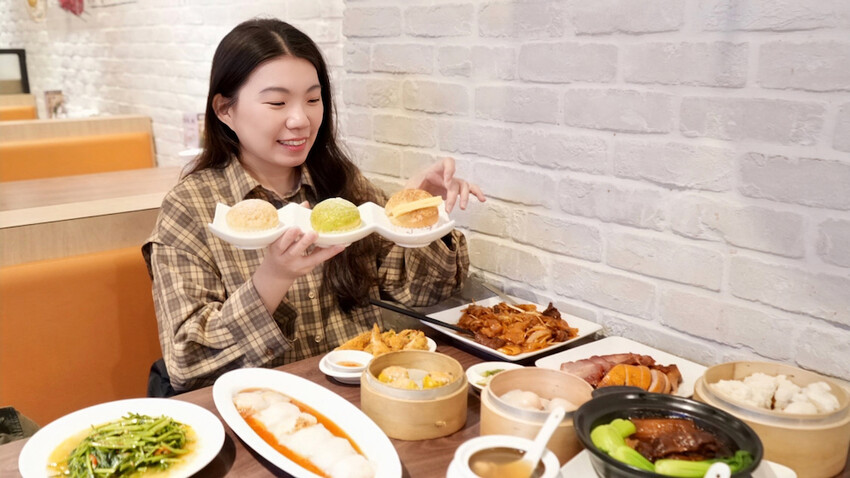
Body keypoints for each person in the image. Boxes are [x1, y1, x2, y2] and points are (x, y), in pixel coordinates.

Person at [143, 18, 485, 394]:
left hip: (363, 398)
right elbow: (187, 365)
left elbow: (424, 294)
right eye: (277, 102)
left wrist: (417, 220)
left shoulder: (342, 183)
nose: (301, 119)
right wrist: (274, 276)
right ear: (225, 110)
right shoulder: (191, 207)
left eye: (312, 99)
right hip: (261, 411)